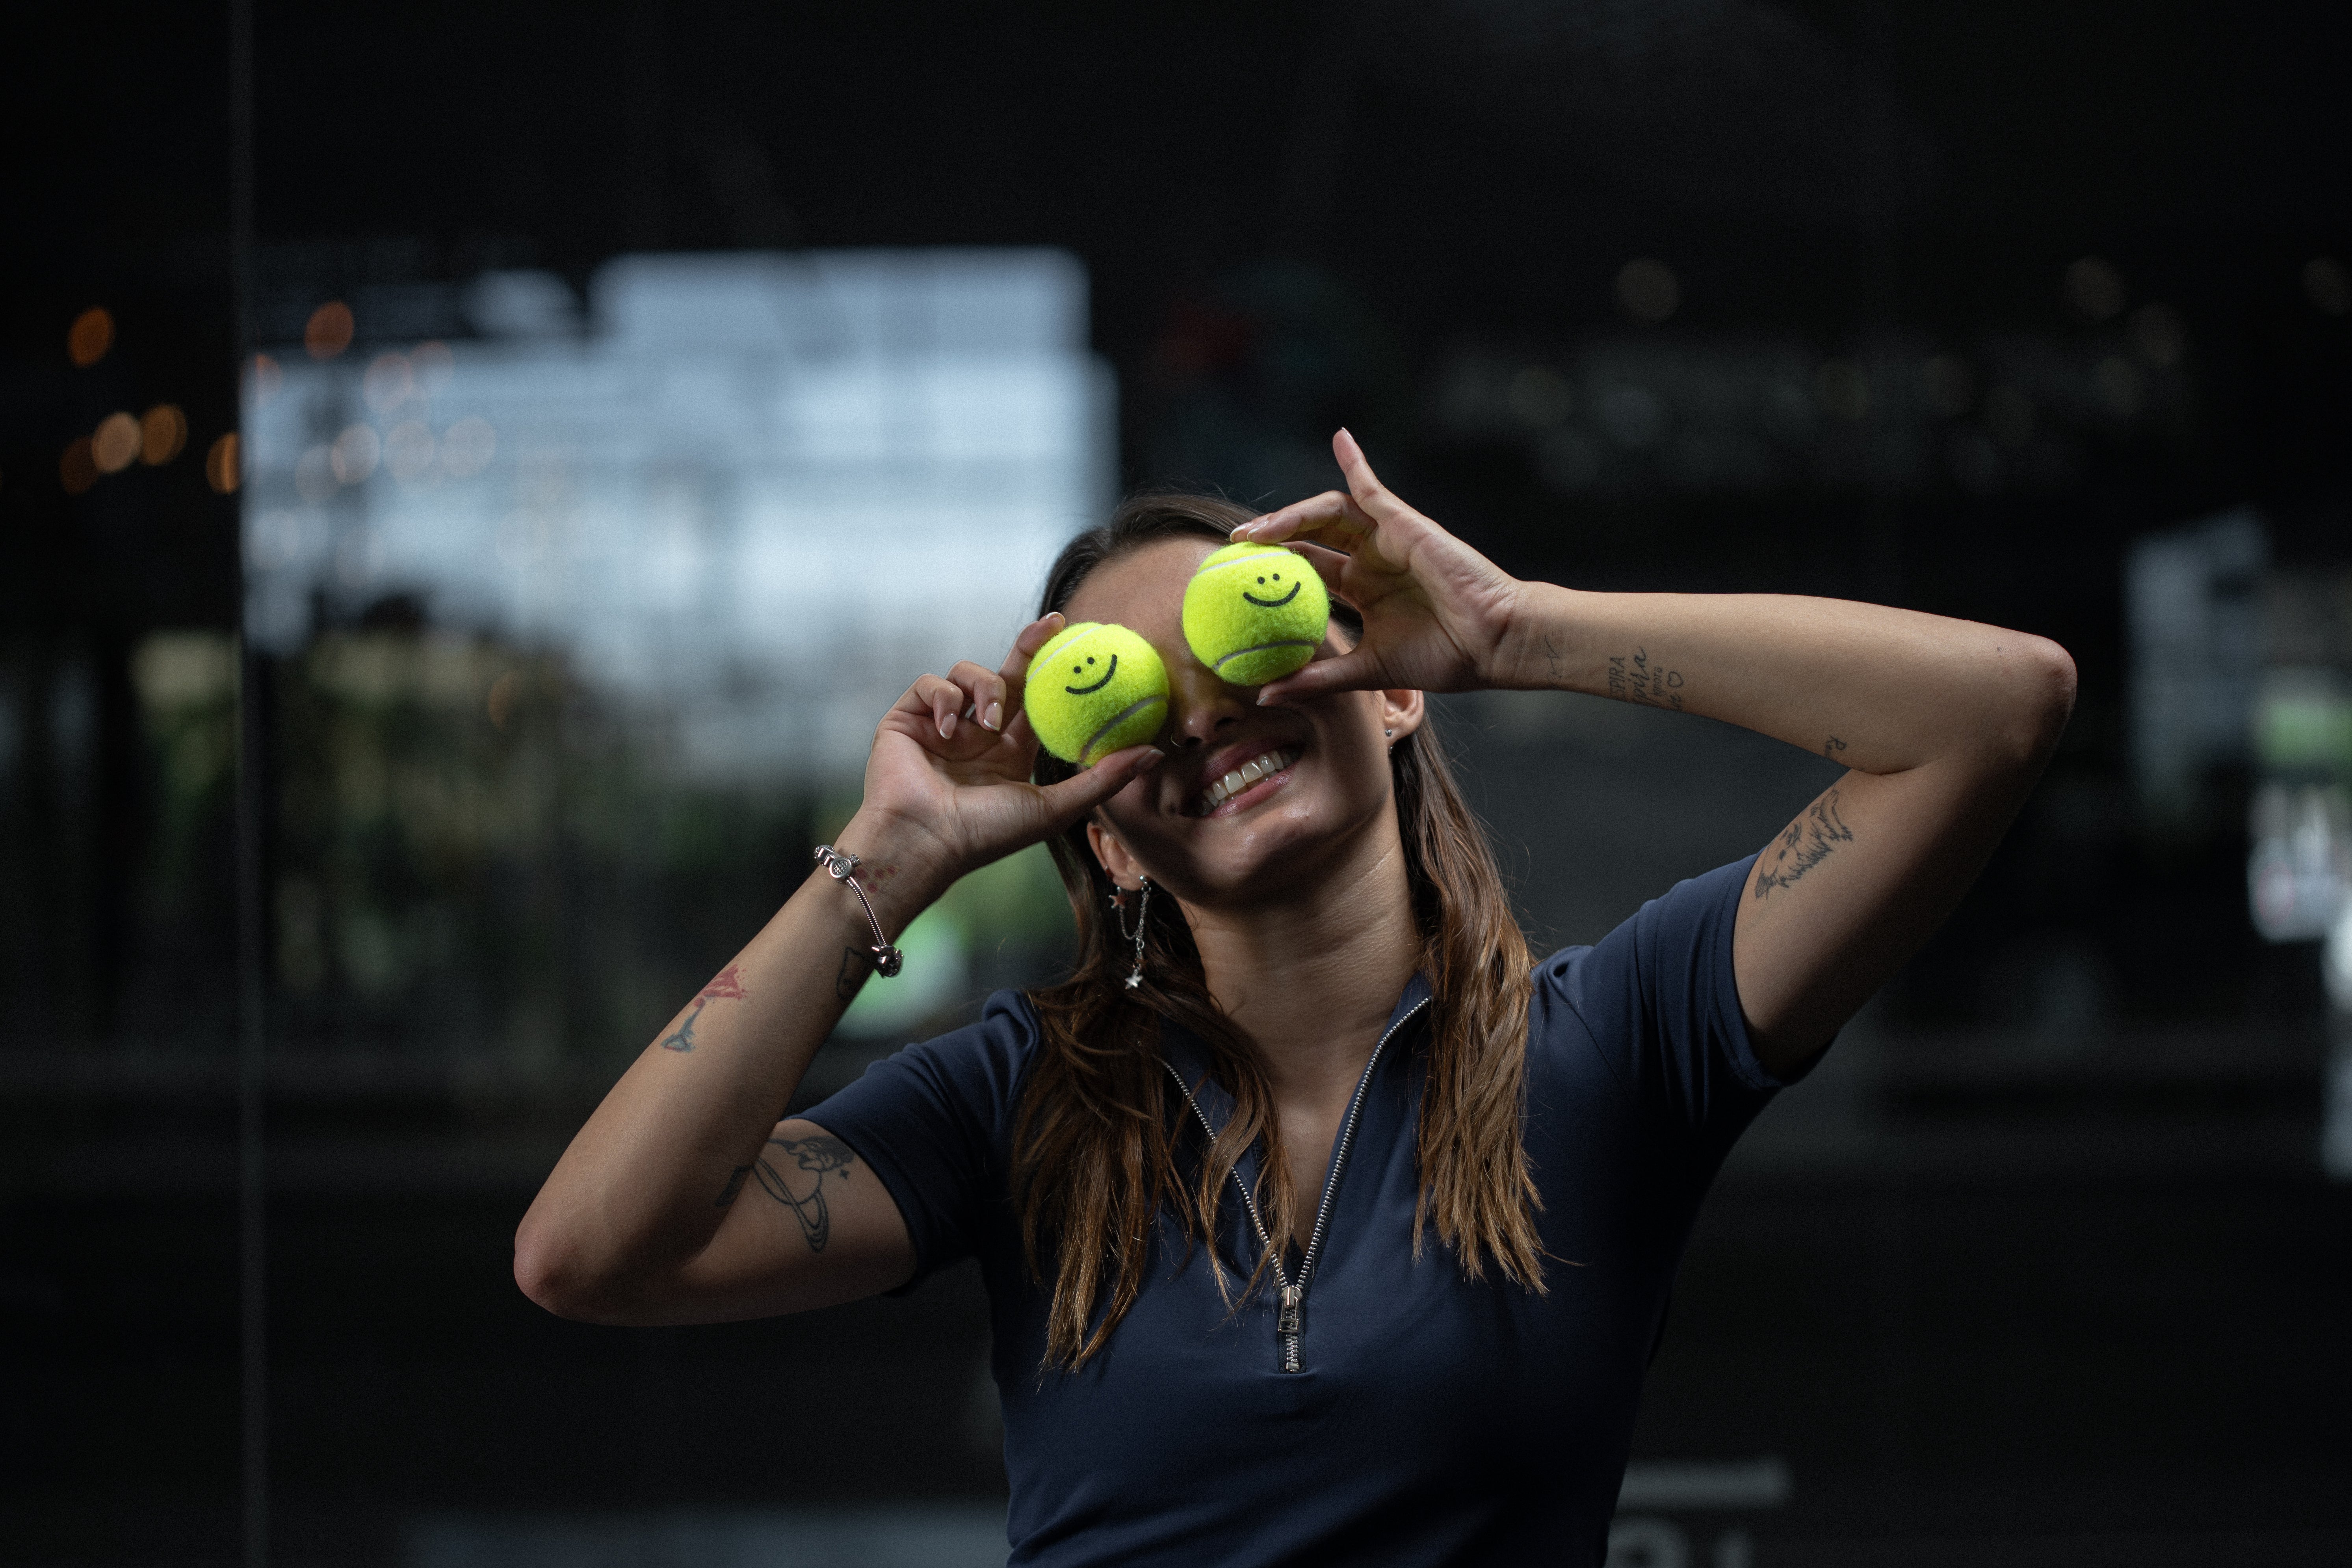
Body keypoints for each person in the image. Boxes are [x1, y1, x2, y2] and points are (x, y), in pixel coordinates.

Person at [515, 430, 2075, 1565]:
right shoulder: (1011, 1098)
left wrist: (1516, 628)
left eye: (1240, 639)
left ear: (1392, 692)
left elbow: (1992, 710)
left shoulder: (1616, 1038)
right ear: (1106, 843)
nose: (1202, 715)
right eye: (1121, 701)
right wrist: (892, 852)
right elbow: (588, 1250)